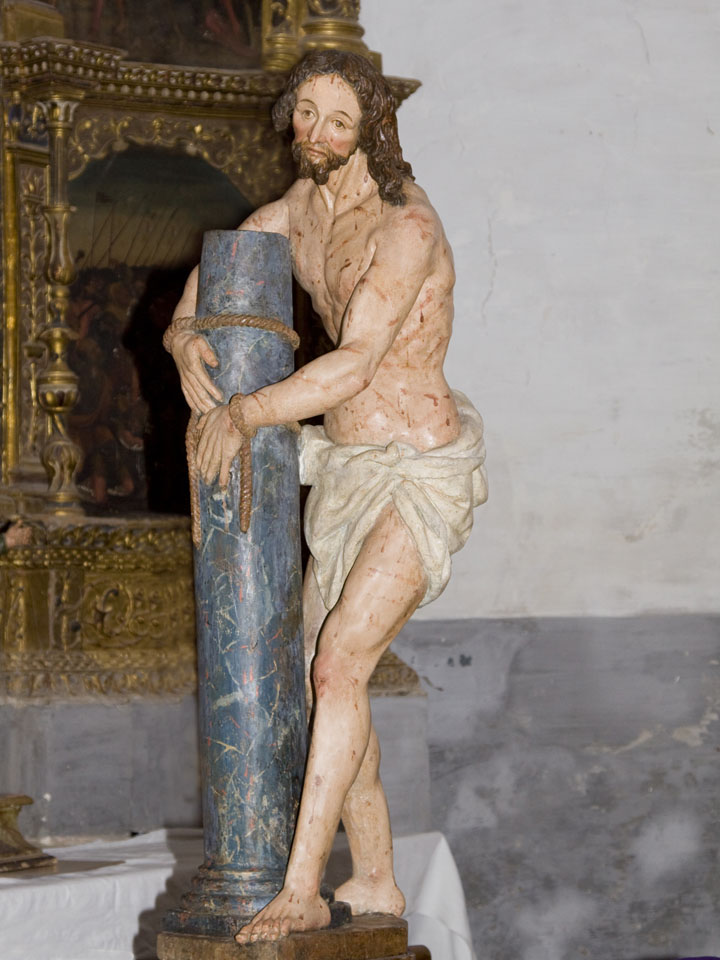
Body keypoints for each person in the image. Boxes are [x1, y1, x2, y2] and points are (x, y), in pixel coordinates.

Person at [166, 50, 487, 943]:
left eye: (338, 120)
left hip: (418, 470)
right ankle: (376, 878)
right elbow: (225, 261)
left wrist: (245, 414)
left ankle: (304, 886)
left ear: (372, 130)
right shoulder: (300, 209)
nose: (316, 133)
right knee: (326, 672)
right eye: (306, 113)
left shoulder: (406, 226)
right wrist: (182, 333)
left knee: (338, 663)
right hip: (345, 470)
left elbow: (355, 362)